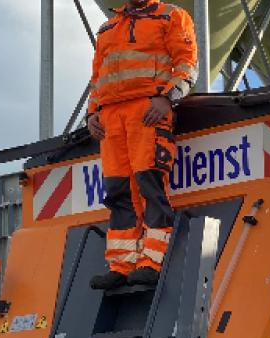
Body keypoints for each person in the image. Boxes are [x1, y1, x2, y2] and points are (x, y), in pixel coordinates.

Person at [86, 0, 198, 290]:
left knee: (149, 184)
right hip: (111, 118)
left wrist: (167, 98)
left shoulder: (171, 16)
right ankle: (121, 264)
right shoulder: (108, 27)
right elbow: (98, 77)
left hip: (147, 111)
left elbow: (186, 63)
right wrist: (92, 113)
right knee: (118, 190)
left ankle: (151, 261)